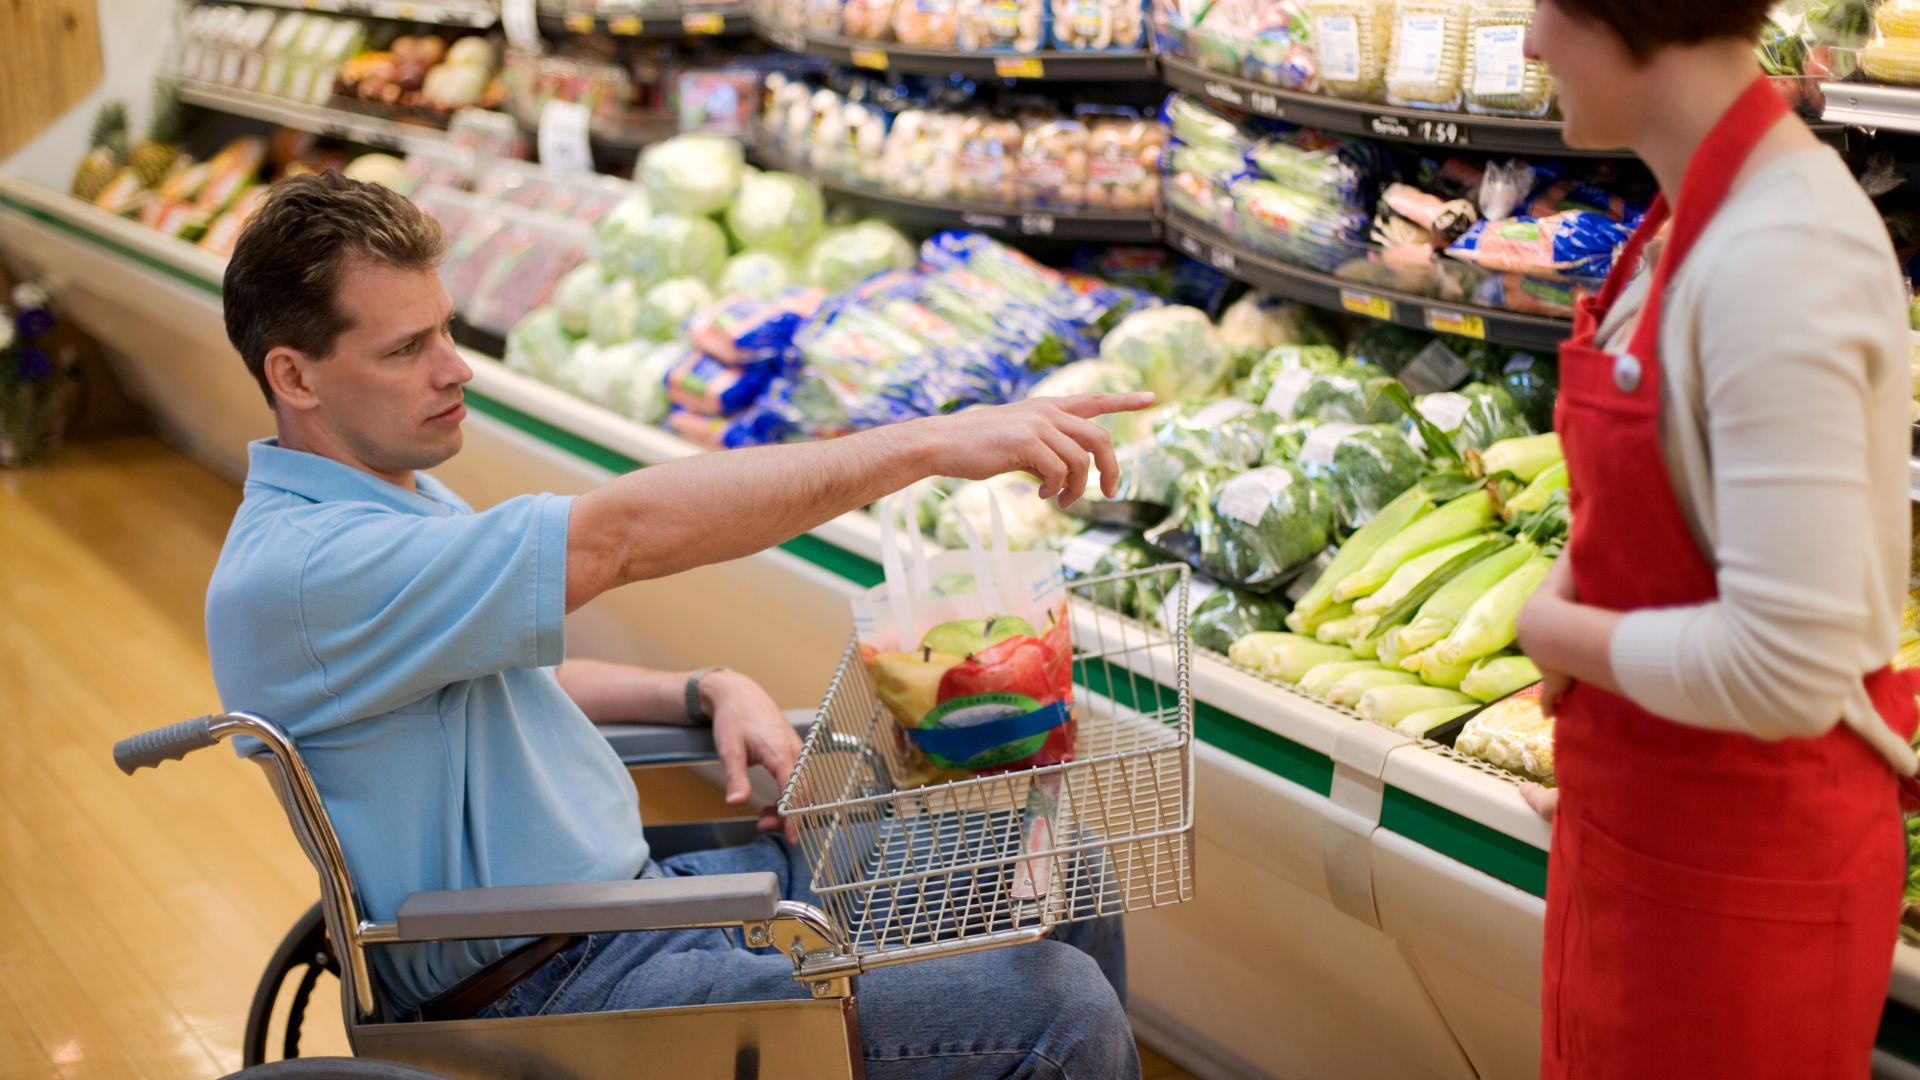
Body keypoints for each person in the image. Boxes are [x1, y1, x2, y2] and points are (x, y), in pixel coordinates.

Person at [206, 170, 1154, 1080]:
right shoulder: (307, 570)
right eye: (405, 348)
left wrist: (699, 689)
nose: (455, 366)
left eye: (445, 328)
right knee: (1056, 1012)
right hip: (556, 988)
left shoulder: (370, 506)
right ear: (295, 375)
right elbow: (621, 537)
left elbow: (482, 678)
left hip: (637, 911)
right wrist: (927, 443)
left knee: (1053, 861)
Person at [1511, 2, 1917, 1077]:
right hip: (1651, 834)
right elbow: (1674, 486)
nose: (1529, 43)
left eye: (1547, 3)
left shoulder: (1782, 253)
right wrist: (1580, 599)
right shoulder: (1692, 214)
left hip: (1745, 887)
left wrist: (1555, 629)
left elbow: (1786, 669)